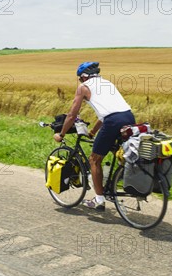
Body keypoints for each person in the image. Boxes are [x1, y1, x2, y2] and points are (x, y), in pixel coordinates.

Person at [54, 61, 135, 211]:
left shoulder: (84, 88)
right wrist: (93, 132)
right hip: (129, 117)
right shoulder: (107, 83)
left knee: (94, 159)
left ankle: (99, 200)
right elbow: (107, 113)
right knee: (117, 152)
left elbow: (72, 115)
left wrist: (61, 133)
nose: (79, 81)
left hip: (112, 122)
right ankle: (114, 182)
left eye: (79, 78)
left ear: (84, 77)